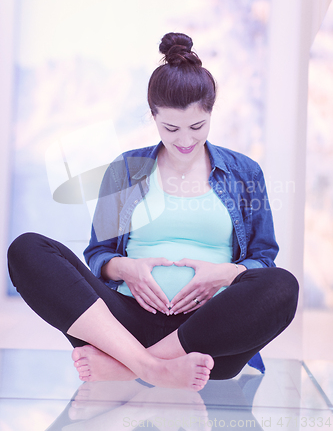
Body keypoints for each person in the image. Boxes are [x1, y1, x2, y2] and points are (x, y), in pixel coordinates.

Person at [7, 32, 298, 392]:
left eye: (197, 127)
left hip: (208, 336)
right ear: (153, 117)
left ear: (210, 112)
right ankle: (152, 366)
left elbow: (263, 260)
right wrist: (125, 268)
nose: (186, 140)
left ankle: (130, 366)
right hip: (125, 324)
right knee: (27, 249)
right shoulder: (126, 169)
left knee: (283, 286)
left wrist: (222, 275)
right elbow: (99, 254)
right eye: (171, 128)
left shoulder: (245, 173)